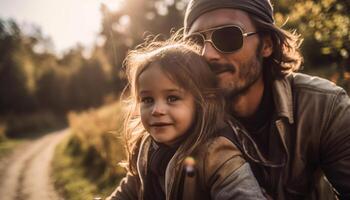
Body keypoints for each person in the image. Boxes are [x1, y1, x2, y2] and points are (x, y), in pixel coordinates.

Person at [183, 0, 350, 199]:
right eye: (196, 42)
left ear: (267, 44)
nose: (207, 54)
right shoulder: (177, 119)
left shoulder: (323, 107)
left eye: (228, 36)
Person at [106, 40, 267, 199]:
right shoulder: (146, 147)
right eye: (148, 100)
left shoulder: (215, 154)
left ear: (201, 103)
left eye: (172, 98)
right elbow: (129, 190)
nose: (156, 110)